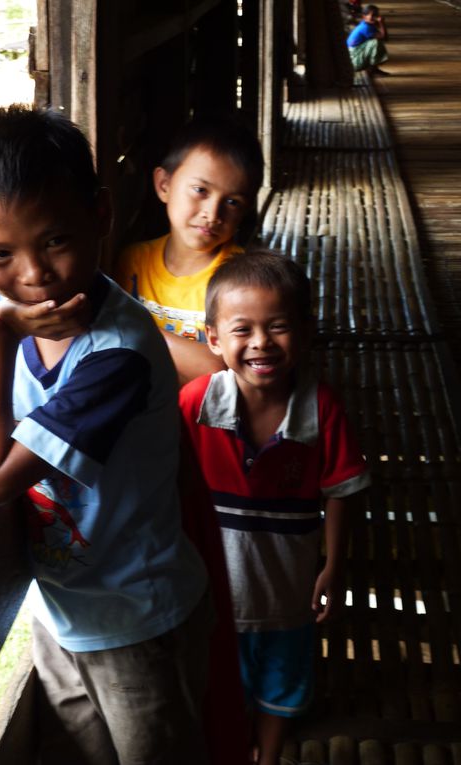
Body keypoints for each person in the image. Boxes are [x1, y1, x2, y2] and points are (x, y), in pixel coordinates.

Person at [0, 104, 213, 765]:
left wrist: (0, 330)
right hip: (64, 615)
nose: (32, 274)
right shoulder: (27, 328)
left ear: (101, 214)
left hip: (140, 621)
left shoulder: (115, 353)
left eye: (54, 240)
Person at [179, 251, 371, 765]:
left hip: (289, 591)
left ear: (306, 333)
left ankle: (268, 753)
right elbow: (165, 484)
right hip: (213, 592)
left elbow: (340, 490)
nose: (261, 342)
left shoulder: (321, 407)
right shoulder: (196, 404)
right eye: (242, 330)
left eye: (278, 327)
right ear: (214, 339)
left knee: (283, 681)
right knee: (219, 681)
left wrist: (333, 565)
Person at [112, 116, 264, 385]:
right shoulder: (132, 262)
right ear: (164, 186)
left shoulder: (242, 277)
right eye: (200, 190)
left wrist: (137, 331)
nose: (212, 213)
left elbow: (221, 370)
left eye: (232, 201)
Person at [346, 4, 389, 76]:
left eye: (376, 15)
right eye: (372, 15)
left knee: (376, 42)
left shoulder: (369, 25)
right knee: (375, 43)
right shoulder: (365, 27)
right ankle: (372, 69)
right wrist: (382, 23)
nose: (374, 17)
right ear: (364, 17)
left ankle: (374, 69)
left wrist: (379, 23)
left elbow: (385, 38)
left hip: (356, 57)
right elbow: (383, 37)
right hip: (354, 61)